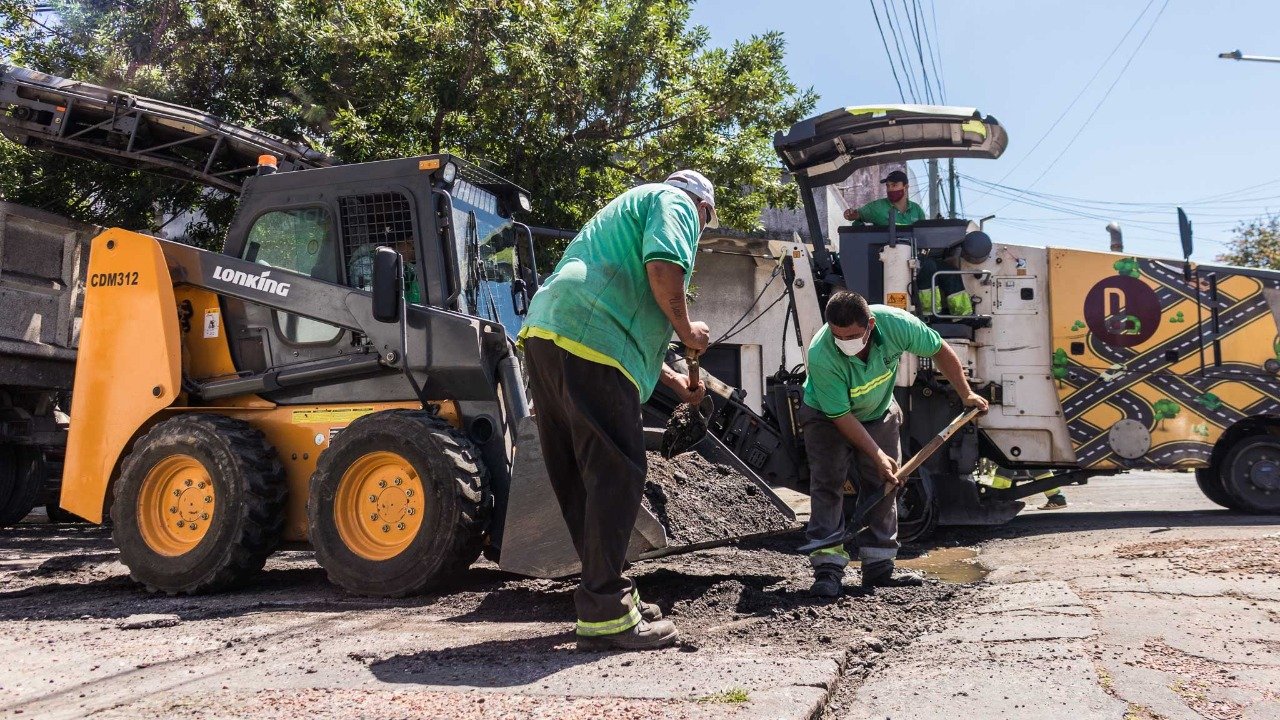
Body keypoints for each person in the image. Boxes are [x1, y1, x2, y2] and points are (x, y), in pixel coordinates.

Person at [517, 170, 717, 651]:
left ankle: (609, 596)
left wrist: (674, 382)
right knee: (618, 473)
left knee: (581, 476)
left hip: (550, 334)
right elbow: (665, 267)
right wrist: (689, 332)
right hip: (592, 340)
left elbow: (635, 321)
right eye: (704, 223)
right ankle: (606, 610)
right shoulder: (676, 202)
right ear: (703, 208)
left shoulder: (624, 214)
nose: (700, 230)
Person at [801, 290, 988, 597]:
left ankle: (879, 567)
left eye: (853, 336)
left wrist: (965, 392)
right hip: (827, 417)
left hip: (879, 411)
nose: (845, 343)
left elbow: (939, 350)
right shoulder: (822, 353)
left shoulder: (897, 325)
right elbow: (842, 417)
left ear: (871, 325)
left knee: (886, 484)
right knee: (828, 483)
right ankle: (828, 569)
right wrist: (876, 454)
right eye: (838, 336)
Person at [842, 169, 926, 226]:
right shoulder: (877, 207)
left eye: (894, 185)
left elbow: (924, 233)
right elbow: (858, 214)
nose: (890, 189)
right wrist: (850, 214)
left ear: (906, 187)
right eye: (888, 186)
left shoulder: (917, 210)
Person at [347, 239, 422, 303]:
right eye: (413, 248)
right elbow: (367, 299)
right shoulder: (366, 264)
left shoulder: (408, 271)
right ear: (404, 243)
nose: (414, 255)